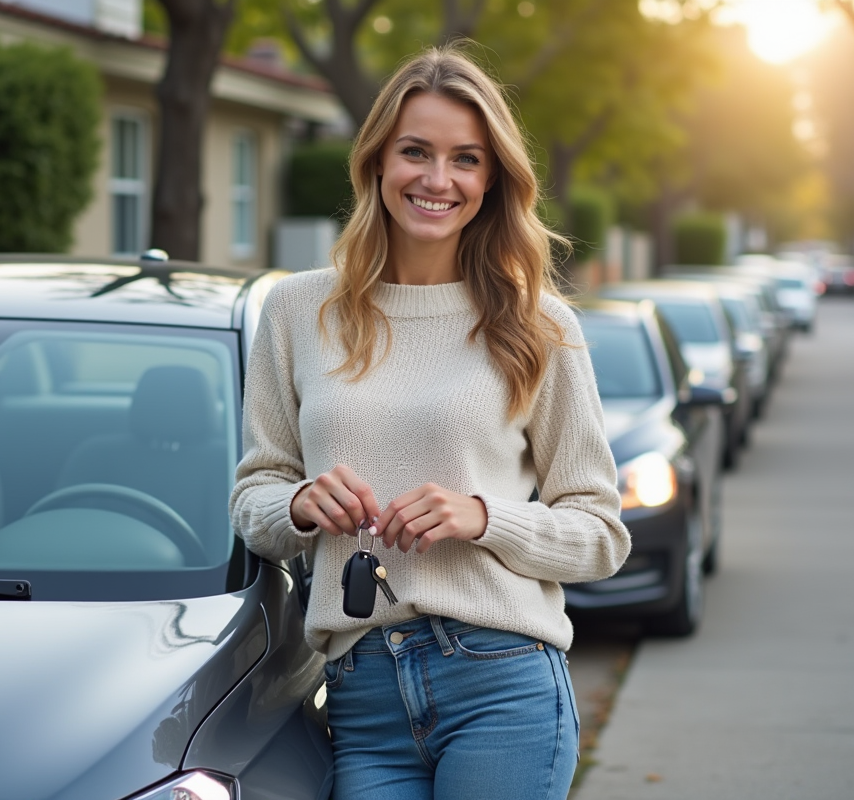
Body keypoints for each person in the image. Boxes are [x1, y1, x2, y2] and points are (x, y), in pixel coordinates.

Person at [230, 44, 630, 800]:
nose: (437, 180)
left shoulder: (537, 325)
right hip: (361, 693)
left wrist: (482, 517)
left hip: (500, 684)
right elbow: (254, 500)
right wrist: (298, 505)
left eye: (466, 159)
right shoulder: (295, 312)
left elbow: (601, 534)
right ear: (378, 162)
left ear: (492, 179)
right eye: (416, 151)